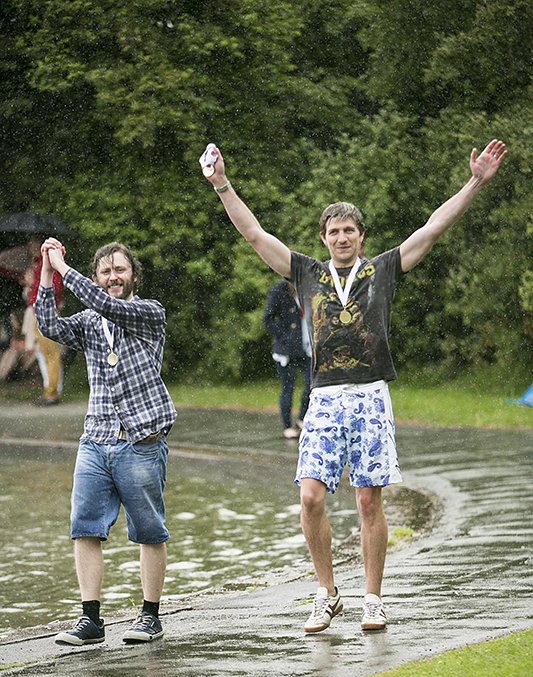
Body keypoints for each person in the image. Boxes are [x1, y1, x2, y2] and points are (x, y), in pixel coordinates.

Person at [200, 138, 507, 633]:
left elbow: (433, 227)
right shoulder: (306, 273)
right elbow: (255, 234)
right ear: (323, 238)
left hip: (370, 394)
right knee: (310, 497)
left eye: (349, 230)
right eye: (334, 231)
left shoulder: (381, 269)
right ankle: (326, 593)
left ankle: (372, 598)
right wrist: (222, 185)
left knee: (368, 500)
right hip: (323, 396)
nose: (341, 238)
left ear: (361, 237)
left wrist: (474, 182)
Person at [34, 238, 177, 646]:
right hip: (96, 440)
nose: (113, 277)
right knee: (85, 528)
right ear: (97, 276)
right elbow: (49, 325)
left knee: (149, 531)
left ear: (134, 276)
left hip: (141, 440)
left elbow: (105, 304)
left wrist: (64, 268)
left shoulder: (148, 313)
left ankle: (150, 617)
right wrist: (47, 273)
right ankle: (91, 620)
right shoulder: (89, 322)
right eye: (105, 271)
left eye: (120, 270)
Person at [264, 279, 312, 438]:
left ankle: (302, 418)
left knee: (312, 384)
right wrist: (284, 336)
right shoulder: (278, 291)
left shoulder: (309, 288)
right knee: (288, 387)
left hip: (306, 347)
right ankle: (287, 426)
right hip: (285, 350)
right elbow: (268, 319)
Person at [27, 235, 65, 405]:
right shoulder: (38, 263)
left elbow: (54, 288)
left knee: (51, 353)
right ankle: (50, 389)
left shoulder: (47, 263)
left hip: (46, 312)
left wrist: (33, 282)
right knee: (44, 353)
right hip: (38, 311)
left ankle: (52, 393)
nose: (32, 247)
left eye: (34, 244)